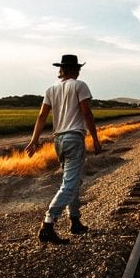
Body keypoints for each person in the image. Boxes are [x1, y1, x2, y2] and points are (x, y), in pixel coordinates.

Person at [25, 54, 101, 244]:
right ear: (74, 70)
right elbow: (86, 112)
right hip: (74, 138)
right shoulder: (80, 85)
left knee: (72, 181)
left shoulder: (51, 89)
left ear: (61, 70)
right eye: (78, 68)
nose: (79, 71)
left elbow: (41, 116)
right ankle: (48, 225)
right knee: (70, 183)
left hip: (58, 140)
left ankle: (75, 221)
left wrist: (34, 140)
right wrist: (96, 138)